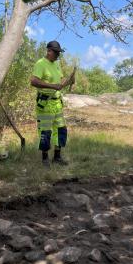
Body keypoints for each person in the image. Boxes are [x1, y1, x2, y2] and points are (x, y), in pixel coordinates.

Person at [31, 40, 75, 168]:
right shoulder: (40, 64)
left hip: (57, 104)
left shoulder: (56, 63)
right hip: (45, 103)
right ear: (48, 51)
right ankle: (45, 159)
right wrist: (52, 86)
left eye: (59, 53)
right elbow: (33, 81)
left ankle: (57, 157)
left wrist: (67, 81)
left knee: (60, 130)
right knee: (45, 132)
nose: (57, 55)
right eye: (56, 53)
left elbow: (60, 79)